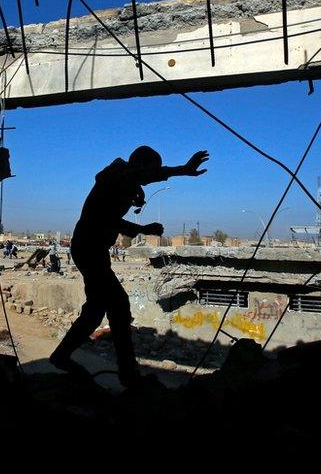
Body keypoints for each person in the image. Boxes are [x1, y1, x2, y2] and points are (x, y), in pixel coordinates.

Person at [49, 146, 208, 387]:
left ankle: (67, 357)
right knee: (118, 306)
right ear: (139, 165)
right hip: (89, 248)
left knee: (98, 310)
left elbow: (137, 182)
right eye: (151, 170)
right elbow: (105, 217)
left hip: (93, 250)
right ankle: (126, 373)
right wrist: (182, 171)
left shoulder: (122, 181)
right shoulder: (117, 177)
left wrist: (181, 171)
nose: (151, 176)